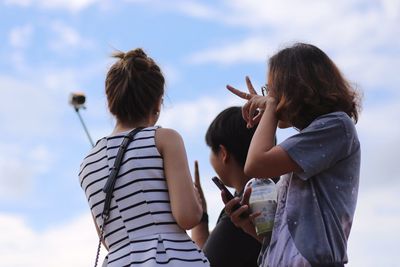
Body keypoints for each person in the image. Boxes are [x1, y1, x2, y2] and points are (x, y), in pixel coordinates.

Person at [223, 43, 362, 267]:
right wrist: (248, 226)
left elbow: (256, 164)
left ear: (294, 88)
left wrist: (270, 110)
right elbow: (287, 239)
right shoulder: (303, 149)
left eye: (271, 90)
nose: (270, 99)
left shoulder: (336, 126)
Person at [79, 48, 209, 266]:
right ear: (157, 103)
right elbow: (187, 216)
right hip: (170, 258)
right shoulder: (164, 139)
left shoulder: (88, 164)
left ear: (111, 103)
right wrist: (195, 201)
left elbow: (107, 239)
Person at [191, 106, 263, 267]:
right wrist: (202, 216)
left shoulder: (239, 210)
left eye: (211, 150)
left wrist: (197, 217)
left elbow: (202, 263)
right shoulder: (281, 186)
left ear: (223, 153)